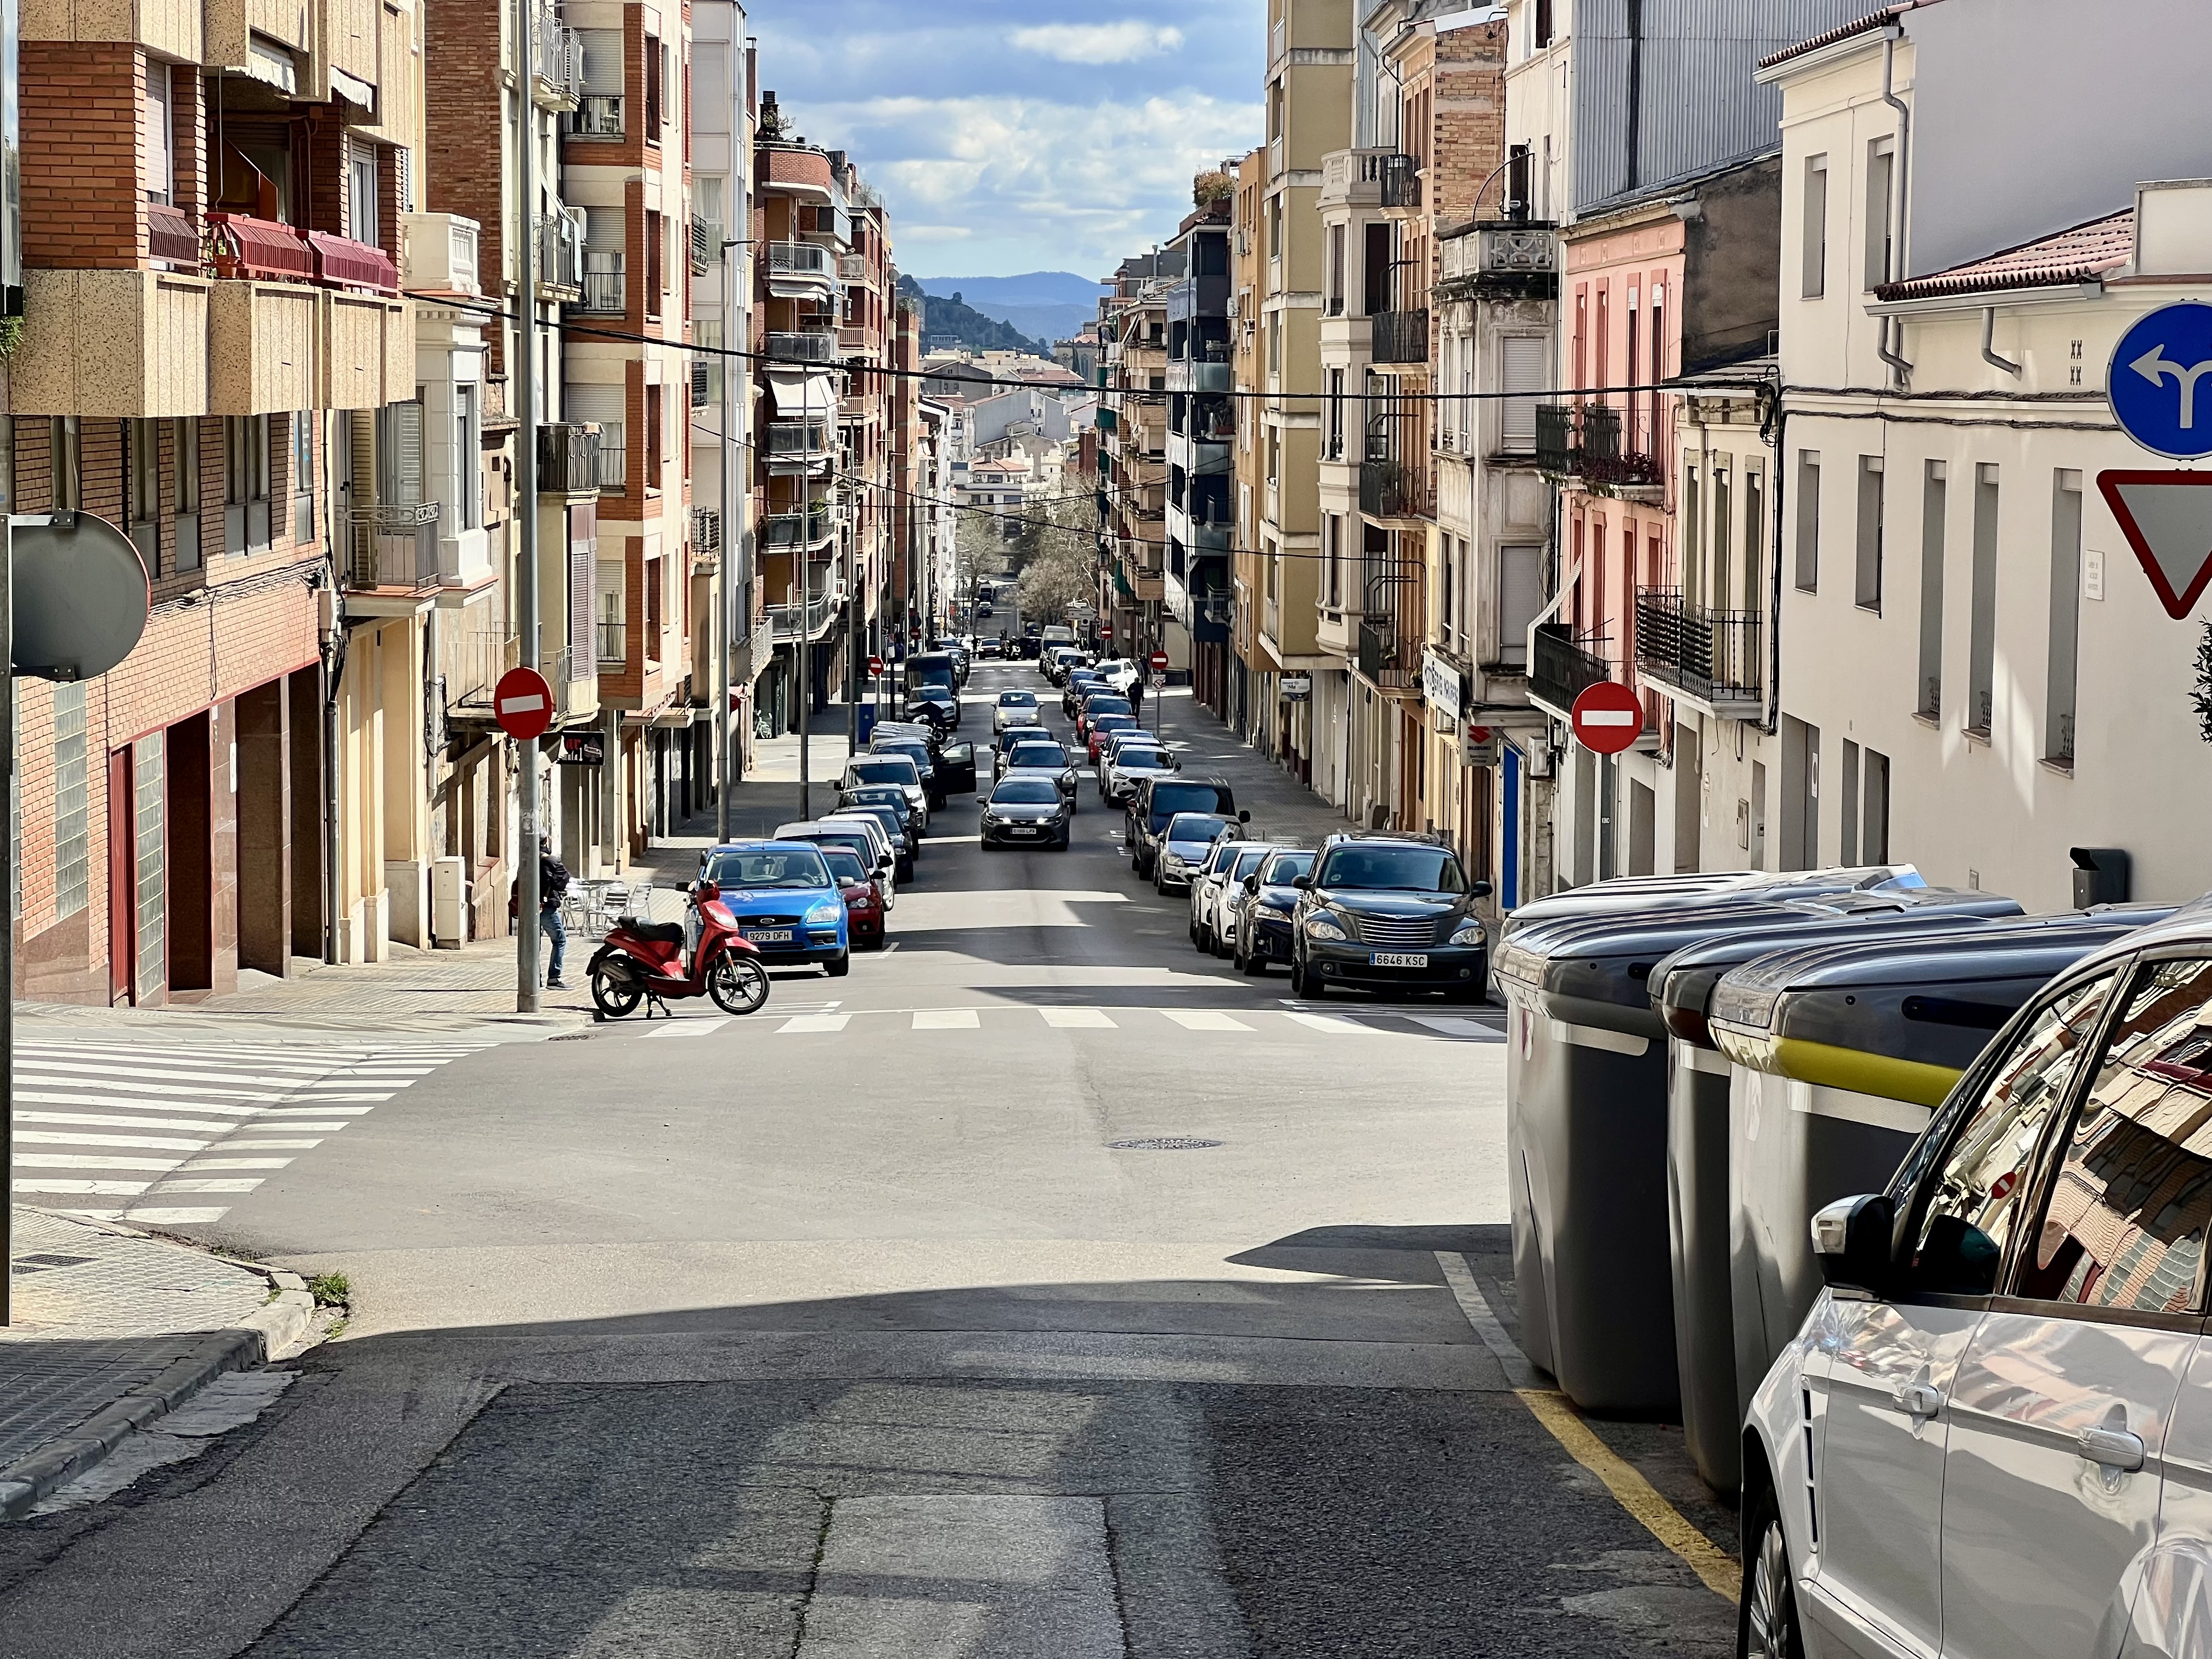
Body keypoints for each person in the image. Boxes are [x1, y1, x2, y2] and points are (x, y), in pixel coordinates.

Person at [531, 836, 572, 989]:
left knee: (534, 944)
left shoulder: (527, 859)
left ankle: (534, 979)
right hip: (547, 907)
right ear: (546, 841)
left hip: (529, 908)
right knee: (560, 940)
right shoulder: (551, 861)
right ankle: (554, 978)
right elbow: (563, 879)